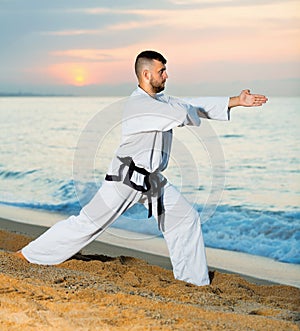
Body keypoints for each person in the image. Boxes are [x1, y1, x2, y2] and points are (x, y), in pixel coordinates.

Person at [15, 50, 267, 286]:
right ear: (146, 75)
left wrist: (237, 101)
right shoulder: (138, 105)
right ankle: (27, 256)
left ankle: (194, 281)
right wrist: (182, 107)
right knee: (87, 224)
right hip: (124, 180)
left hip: (153, 182)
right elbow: (183, 114)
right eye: (162, 71)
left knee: (185, 218)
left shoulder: (161, 101)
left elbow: (191, 106)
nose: (166, 75)